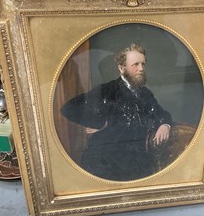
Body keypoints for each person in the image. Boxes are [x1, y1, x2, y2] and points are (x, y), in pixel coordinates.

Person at [61, 43, 172, 181]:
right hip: (105, 163)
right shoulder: (107, 90)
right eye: (136, 64)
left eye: (143, 64)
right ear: (121, 68)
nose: (141, 68)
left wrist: (164, 125)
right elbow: (69, 108)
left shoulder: (145, 93)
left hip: (137, 162)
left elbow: (161, 114)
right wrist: (99, 123)